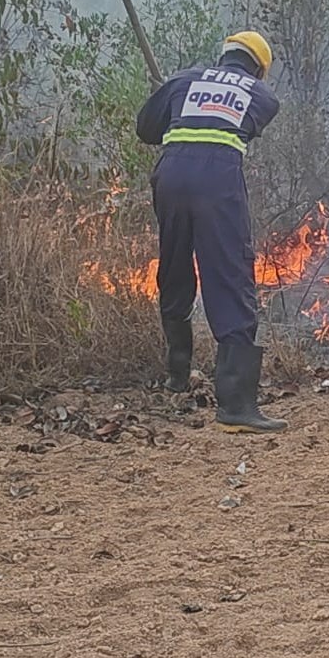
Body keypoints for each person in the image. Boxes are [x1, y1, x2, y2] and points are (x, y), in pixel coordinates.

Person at [135, 31, 287, 434]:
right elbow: (246, 124)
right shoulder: (262, 95)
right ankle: (236, 405)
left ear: (224, 55)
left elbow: (146, 131)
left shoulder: (183, 80)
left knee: (174, 269)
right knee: (230, 276)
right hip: (216, 180)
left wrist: (169, 101)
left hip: (169, 176)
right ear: (259, 68)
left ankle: (177, 375)